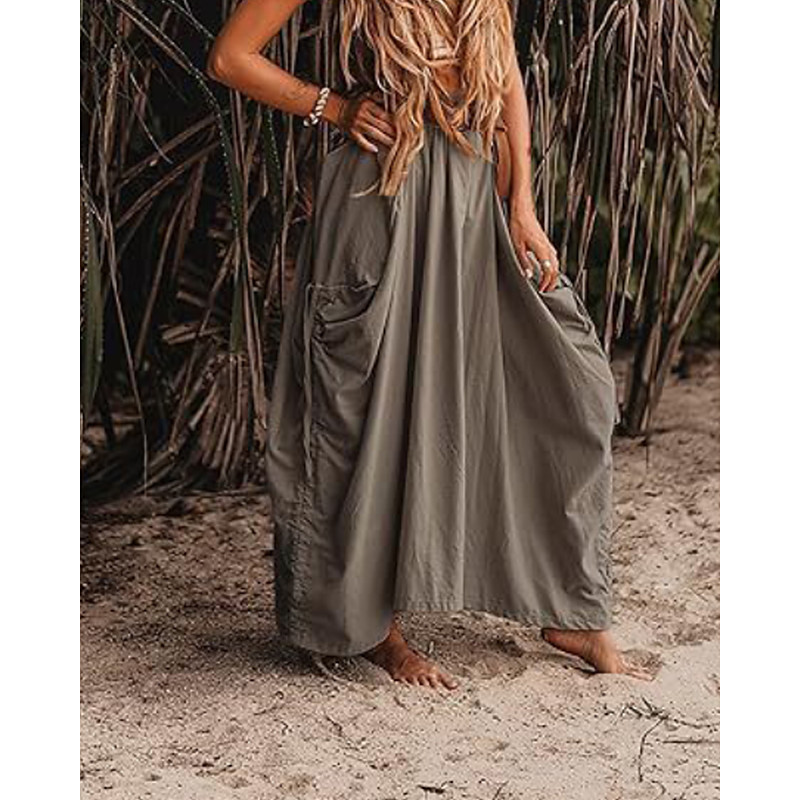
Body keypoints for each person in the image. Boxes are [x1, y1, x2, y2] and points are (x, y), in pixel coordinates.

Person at [207, 0, 650, 690]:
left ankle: (570, 607)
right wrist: (334, 108)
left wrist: (523, 204)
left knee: (572, 384)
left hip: (474, 199)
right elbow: (230, 57)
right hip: (380, 199)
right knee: (359, 411)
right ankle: (375, 631)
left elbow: (505, 73)